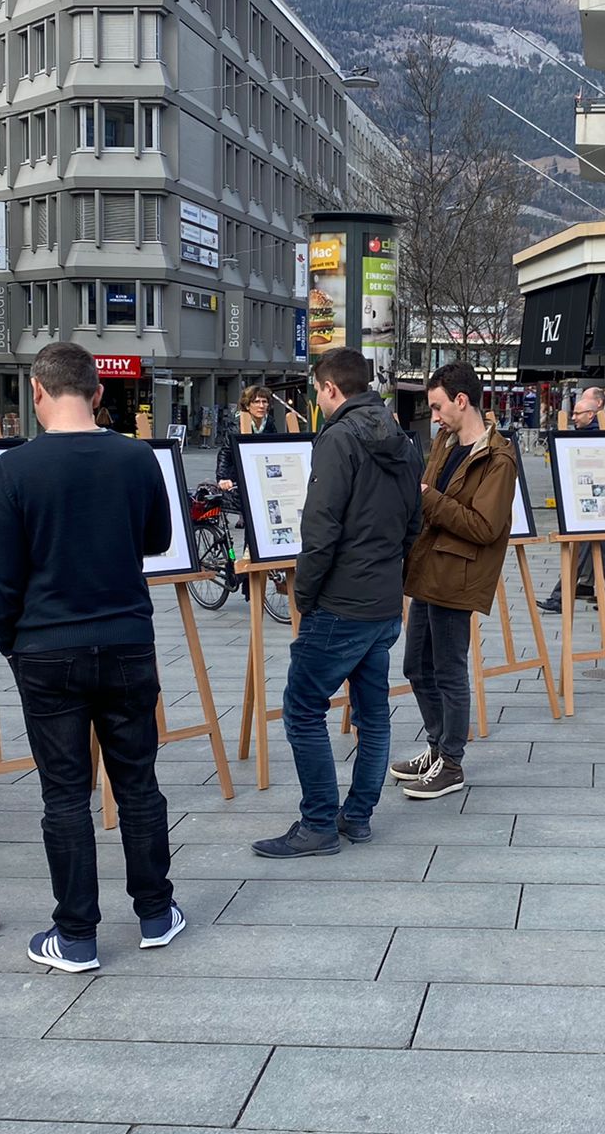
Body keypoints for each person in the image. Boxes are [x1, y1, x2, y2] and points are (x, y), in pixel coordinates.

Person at [0, 342, 185, 972]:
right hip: (126, 638)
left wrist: (10, 641)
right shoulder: (137, 457)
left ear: (37, 391)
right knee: (138, 783)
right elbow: (156, 539)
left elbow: (5, 577)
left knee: (65, 794)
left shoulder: (13, 469)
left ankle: (75, 935)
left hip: (46, 647)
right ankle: (155, 912)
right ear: (99, 394)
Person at [251, 349, 422, 858]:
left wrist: (304, 594)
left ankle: (319, 823)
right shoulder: (403, 438)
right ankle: (358, 816)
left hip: (341, 601)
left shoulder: (337, 438)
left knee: (302, 709)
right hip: (382, 601)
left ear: (329, 389)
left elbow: (320, 528)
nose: (317, 401)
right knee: (373, 712)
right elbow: (413, 521)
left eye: (317, 392)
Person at [391, 364, 516, 801]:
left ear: (461, 401)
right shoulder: (445, 442)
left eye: (438, 406)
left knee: (447, 671)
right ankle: (437, 749)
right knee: (416, 667)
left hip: (458, 576)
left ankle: (452, 763)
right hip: (429, 569)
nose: (435, 416)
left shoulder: (499, 458)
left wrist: (428, 498)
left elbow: (484, 526)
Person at [539, 386, 605, 614]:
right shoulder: (599, 431)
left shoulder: (597, 434)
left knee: (581, 550)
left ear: (592, 413)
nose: (573, 418)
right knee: (602, 550)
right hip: (598, 503)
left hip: (593, 504)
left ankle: (560, 598)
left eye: (578, 414)